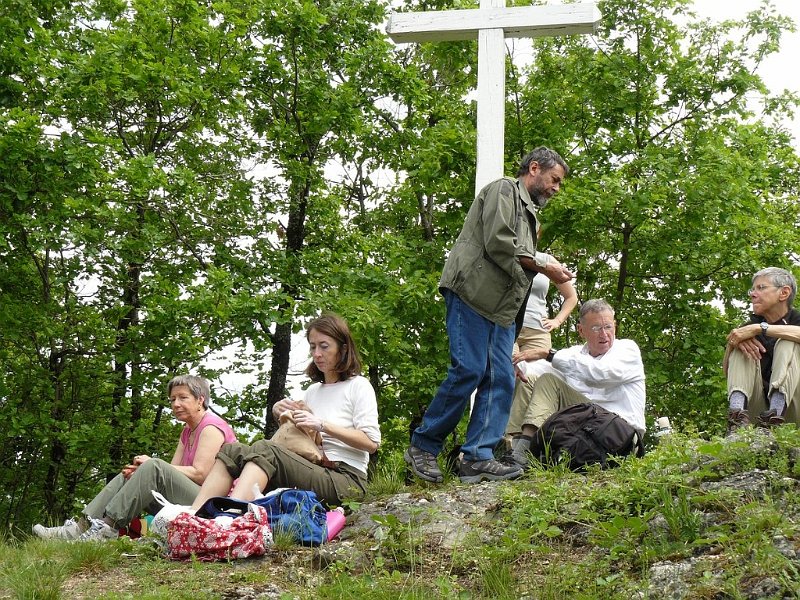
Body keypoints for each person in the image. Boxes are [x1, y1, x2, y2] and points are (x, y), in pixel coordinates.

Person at [405, 147, 574, 484]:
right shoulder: (504, 190)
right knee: (468, 370)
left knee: (502, 377)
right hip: (471, 295)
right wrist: (545, 264)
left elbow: (518, 265)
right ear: (535, 168)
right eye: (554, 180)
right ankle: (423, 446)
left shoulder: (531, 216)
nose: (556, 188)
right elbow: (500, 242)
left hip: (502, 312)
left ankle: (479, 456)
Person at [188, 313, 380, 510]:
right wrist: (280, 412)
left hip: (346, 479)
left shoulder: (359, 385)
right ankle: (195, 517)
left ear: (343, 348)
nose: (317, 354)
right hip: (314, 466)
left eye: (324, 346)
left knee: (266, 448)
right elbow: (302, 441)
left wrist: (322, 425)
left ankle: (230, 518)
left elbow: (371, 443)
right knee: (233, 451)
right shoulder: (313, 391)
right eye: (313, 346)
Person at [33, 375, 237, 541]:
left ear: (200, 399)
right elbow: (172, 471)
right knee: (130, 474)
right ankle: (80, 527)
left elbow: (201, 474)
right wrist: (142, 472)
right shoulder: (187, 431)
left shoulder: (211, 426)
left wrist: (152, 466)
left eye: (183, 398)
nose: (176, 404)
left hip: (211, 506)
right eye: (172, 399)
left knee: (153, 466)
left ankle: (106, 530)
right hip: (189, 498)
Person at [503, 299, 646, 468]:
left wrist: (548, 354)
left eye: (608, 326)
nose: (604, 334)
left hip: (620, 435)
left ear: (614, 326)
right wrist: (518, 366)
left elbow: (599, 374)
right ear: (581, 330)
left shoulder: (627, 349)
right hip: (585, 431)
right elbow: (539, 367)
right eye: (596, 328)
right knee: (529, 380)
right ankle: (514, 448)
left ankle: (523, 455)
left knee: (549, 382)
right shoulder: (573, 354)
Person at [504, 273, 578, 458]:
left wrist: (557, 320)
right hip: (508, 325)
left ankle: (531, 445)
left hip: (538, 331)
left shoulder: (547, 262)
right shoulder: (508, 251)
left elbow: (571, 296)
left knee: (535, 381)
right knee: (508, 376)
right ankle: (506, 442)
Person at [724, 267, 800, 433]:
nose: (752, 294)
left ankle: (774, 419)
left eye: (761, 288)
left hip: (795, 407)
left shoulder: (796, 319)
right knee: (740, 346)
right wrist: (732, 343)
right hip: (758, 415)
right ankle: (736, 422)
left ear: (784, 293)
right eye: (753, 289)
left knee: (788, 342)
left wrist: (761, 328)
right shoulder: (748, 328)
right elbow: (727, 372)